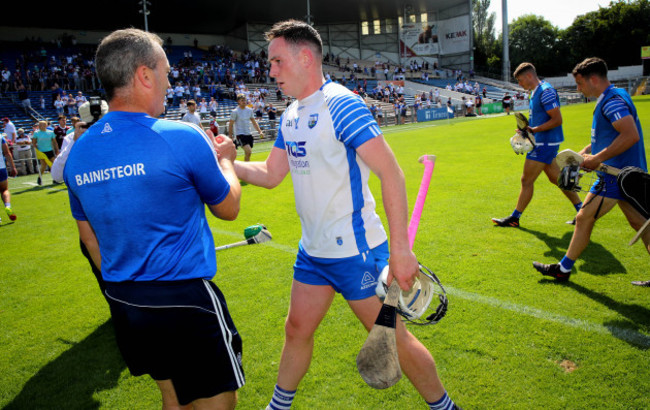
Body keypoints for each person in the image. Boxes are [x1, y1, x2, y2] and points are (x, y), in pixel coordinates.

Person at [233, 20, 459, 410]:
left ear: (305, 57)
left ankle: (445, 407)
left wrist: (401, 250)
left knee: (394, 340)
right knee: (296, 328)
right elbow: (271, 175)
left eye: (276, 61)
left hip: (355, 253)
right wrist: (226, 163)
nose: (269, 70)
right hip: (313, 253)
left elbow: (391, 172)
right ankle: (278, 406)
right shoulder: (290, 115)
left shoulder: (341, 104)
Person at [63, 28, 244, 408]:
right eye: (164, 71)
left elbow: (91, 240)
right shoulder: (180, 136)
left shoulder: (79, 154)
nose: (168, 80)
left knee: (171, 397)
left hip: (126, 300)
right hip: (184, 298)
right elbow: (228, 208)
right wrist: (226, 160)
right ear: (144, 75)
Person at [533, 57, 649, 283]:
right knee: (641, 224)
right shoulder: (612, 97)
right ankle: (563, 268)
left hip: (616, 176)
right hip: (625, 175)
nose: (578, 88)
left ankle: (563, 269)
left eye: (580, 83)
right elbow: (611, 136)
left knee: (584, 217)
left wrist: (597, 158)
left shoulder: (612, 101)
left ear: (593, 79)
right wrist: (587, 151)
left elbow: (630, 135)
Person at [492, 62, 582, 228]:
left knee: (526, 180)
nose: (519, 84)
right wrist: (526, 131)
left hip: (544, 143)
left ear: (529, 76)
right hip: (542, 141)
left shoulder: (545, 91)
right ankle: (582, 210)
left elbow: (557, 119)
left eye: (520, 80)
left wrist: (533, 129)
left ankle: (515, 217)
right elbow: (540, 120)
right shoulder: (536, 92)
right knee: (558, 179)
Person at [229, 94, 264, 162]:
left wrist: (260, 131)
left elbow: (254, 122)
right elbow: (230, 124)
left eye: (245, 100)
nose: (244, 102)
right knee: (248, 151)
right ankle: (246, 168)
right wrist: (230, 136)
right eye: (242, 100)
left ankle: (246, 168)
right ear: (238, 101)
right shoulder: (235, 111)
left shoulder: (249, 110)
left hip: (248, 134)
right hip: (240, 134)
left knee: (248, 154)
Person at [1, 135, 18, 223]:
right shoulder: (0, 137)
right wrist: (13, 167)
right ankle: (7, 205)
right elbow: (7, 153)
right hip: (1, 168)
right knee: (4, 190)